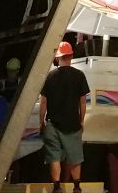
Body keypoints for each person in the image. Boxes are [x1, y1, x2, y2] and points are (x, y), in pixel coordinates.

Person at [40, 41, 90, 193]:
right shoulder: (79, 75)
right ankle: (76, 187)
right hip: (73, 124)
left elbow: (43, 102)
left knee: (54, 156)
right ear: (71, 56)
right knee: (75, 157)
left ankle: (57, 187)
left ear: (57, 58)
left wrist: (41, 121)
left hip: (53, 124)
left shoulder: (50, 76)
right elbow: (82, 103)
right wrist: (81, 120)